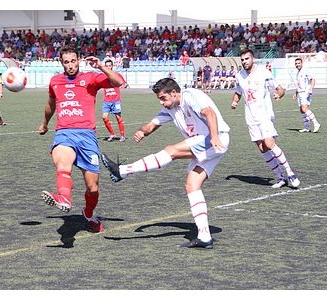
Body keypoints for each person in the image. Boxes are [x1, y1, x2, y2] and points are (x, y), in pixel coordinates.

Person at [100, 78, 230, 250]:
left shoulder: (192, 96)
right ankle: (205, 236)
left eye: (163, 98)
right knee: (192, 185)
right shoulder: (170, 108)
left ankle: (122, 171)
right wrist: (141, 132)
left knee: (172, 150)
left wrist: (213, 137)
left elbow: (209, 113)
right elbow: (152, 124)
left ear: (174, 93)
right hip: (206, 144)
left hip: (214, 139)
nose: (162, 102)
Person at [38, 46, 124, 233]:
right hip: (64, 133)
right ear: (61, 63)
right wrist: (45, 123)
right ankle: (64, 198)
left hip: (87, 136)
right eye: (66, 62)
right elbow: (51, 105)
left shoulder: (90, 78)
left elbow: (117, 82)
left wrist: (100, 66)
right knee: (63, 165)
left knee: (92, 188)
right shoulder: (55, 81)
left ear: (79, 60)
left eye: (73, 61)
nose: (70, 65)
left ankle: (88, 213)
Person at [231, 48, 300, 189]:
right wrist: (235, 101)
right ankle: (280, 177)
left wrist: (278, 95)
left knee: (269, 143)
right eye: (242, 60)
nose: (244, 62)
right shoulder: (239, 76)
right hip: (250, 117)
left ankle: (290, 173)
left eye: (247, 59)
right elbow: (238, 91)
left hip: (264, 115)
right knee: (262, 147)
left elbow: (280, 88)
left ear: (253, 59)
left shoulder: (263, 72)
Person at [102, 59, 128, 142]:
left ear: (112, 66)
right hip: (106, 101)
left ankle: (122, 135)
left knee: (118, 118)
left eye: (110, 65)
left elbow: (125, 84)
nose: (109, 67)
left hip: (115, 100)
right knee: (104, 117)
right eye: (107, 66)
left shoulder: (117, 75)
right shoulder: (103, 77)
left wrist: (123, 85)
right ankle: (112, 134)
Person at [293, 57, 321, 133]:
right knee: (302, 110)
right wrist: (296, 94)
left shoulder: (305, 71)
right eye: (296, 63)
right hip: (300, 93)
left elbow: (313, 79)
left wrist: (310, 89)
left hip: (305, 92)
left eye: (298, 63)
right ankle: (307, 127)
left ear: (302, 63)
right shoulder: (297, 73)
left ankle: (316, 123)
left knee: (304, 108)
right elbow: (298, 85)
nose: (297, 65)